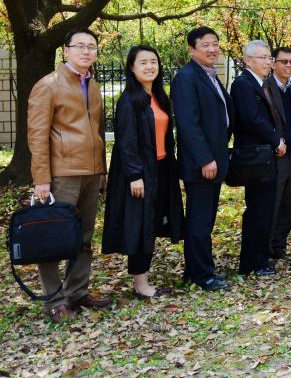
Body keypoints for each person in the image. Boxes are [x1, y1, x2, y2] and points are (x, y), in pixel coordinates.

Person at [28, 29, 110, 321]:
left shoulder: (95, 85)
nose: (87, 51)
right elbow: (37, 136)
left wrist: (102, 169)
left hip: (91, 172)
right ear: (65, 50)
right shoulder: (48, 85)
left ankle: (77, 292)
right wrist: (41, 178)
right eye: (80, 46)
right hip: (62, 174)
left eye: (92, 47)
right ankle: (55, 300)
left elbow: (98, 132)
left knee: (84, 237)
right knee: (53, 237)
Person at [103, 45, 184, 299]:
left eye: (153, 61)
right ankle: (140, 284)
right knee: (139, 225)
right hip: (140, 173)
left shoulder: (159, 96)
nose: (150, 67)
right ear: (131, 67)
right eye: (143, 62)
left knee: (152, 221)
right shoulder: (129, 100)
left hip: (161, 168)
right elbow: (126, 142)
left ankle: (143, 278)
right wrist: (134, 175)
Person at [172, 26, 233, 291]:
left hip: (215, 158)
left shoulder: (210, 75)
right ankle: (201, 274)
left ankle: (200, 268)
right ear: (192, 49)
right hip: (202, 164)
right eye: (205, 44)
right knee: (199, 219)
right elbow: (188, 123)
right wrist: (205, 159)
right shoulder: (186, 77)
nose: (212, 49)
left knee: (205, 219)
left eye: (215, 44)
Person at [229, 40, 283, 276]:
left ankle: (259, 259)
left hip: (266, 155)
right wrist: (276, 140)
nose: (267, 62)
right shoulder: (243, 84)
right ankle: (253, 262)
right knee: (258, 210)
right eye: (262, 57)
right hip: (255, 156)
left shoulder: (263, 84)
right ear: (247, 60)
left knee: (264, 208)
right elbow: (251, 118)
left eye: (269, 57)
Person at [265, 47, 291, 260]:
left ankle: (279, 245)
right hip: (276, 153)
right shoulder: (266, 87)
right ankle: (267, 246)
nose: (288, 66)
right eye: (283, 62)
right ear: (273, 63)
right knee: (274, 200)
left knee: (289, 200)